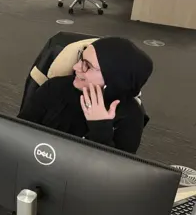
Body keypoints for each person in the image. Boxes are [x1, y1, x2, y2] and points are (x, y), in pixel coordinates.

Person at [18, 37, 153, 154]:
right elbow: (17, 131)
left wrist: (100, 128)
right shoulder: (55, 87)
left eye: (87, 66)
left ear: (114, 78)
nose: (76, 67)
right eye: (80, 58)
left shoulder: (130, 115)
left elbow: (116, 174)